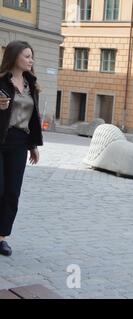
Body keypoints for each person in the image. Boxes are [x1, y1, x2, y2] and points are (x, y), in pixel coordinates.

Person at [0, 41, 43, 256]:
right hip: (0, 139)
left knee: (12, 193)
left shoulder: (31, 84)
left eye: (31, 56)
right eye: (27, 56)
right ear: (15, 56)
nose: (31, 60)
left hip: (19, 142)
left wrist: (33, 145)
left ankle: (1, 237)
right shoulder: (0, 81)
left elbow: (33, 118)